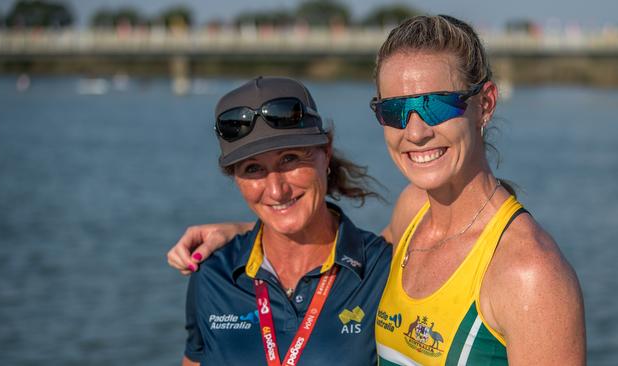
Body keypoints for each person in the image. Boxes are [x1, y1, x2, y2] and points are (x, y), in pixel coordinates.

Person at [169, 16, 586, 365]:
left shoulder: (531, 274)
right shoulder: (413, 214)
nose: (417, 132)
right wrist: (245, 231)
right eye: (395, 110)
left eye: (437, 105)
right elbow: (326, 247)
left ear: (487, 103)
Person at [181, 76, 392, 366]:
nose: (277, 190)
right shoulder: (213, 273)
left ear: (326, 152)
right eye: (253, 168)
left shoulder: (382, 269)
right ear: (235, 178)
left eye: (290, 159)